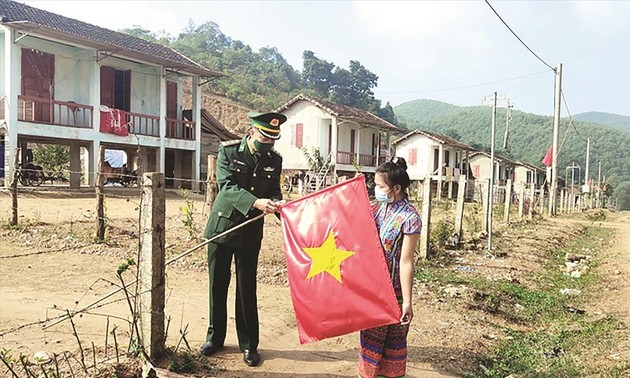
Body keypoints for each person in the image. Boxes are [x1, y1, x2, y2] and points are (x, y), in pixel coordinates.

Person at [199, 111, 287, 367]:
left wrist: (279, 204)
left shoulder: (274, 160)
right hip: (223, 228)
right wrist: (255, 202)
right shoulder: (228, 152)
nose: (268, 142)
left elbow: (274, 190)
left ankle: (249, 345)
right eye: (264, 136)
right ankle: (215, 338)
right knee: (217, 285)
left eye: (273, 138)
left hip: (251, 231)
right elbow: (226, 187)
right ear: (252, 131)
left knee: (247, 288)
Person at [358, 157, 421, 378]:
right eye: (375, 185)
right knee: (369, 347)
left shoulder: (409, 217)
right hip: (372, 290)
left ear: (396, 188)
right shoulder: (377, 210)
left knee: (392, 349)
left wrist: (408, 302)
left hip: (394, 293)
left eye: (381, 186)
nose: (376, 190)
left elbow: (406, 261)